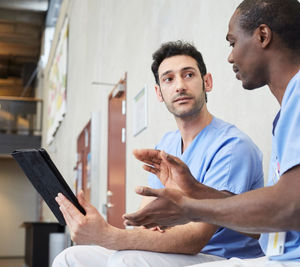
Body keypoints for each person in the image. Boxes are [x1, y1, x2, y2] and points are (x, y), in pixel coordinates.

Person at [125, 0, 300, 266]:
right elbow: (271, 221)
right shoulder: (289, 112)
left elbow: (292, 208)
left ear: (263, 35)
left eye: (233, 42)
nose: (230, 56)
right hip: (294, 257)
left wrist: (189, 208)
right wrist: (196, 191)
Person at [52, 40, 265, 267]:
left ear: (207, 82)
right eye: (169, 79)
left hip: (220, 256)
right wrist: (106, 228)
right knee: (70, 257)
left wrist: (108, 236)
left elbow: (196, 238)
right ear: (159, 92)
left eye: (189, 75)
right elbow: (146, 217)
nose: (180, 86)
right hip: (180, 255)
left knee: (126, 260)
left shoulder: (232, 146)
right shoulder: (167, 144)